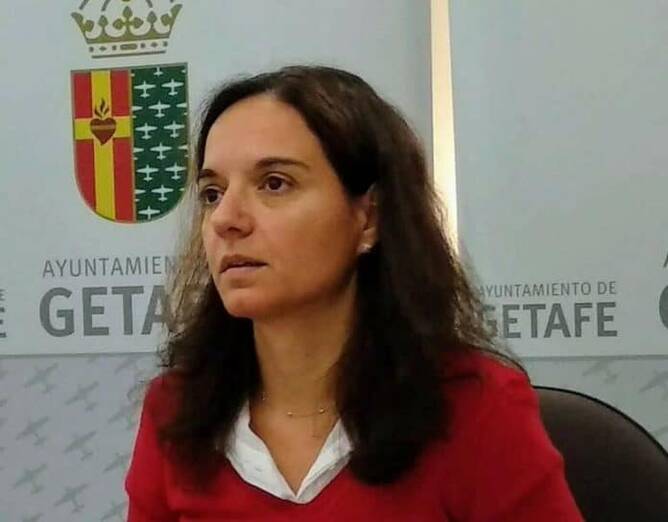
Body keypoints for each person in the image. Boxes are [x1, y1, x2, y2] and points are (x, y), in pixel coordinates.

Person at [125, 65, 584, 521]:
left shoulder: (477, 409)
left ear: (368, 218)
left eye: (274, 184)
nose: (226, 219)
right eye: (212, 193)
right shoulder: (176, 409)